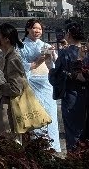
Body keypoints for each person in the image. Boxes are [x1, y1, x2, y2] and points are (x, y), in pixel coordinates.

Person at [20, 19, 61, 151]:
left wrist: (52, 55)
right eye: (34, 28)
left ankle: (52, 146)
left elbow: (53, 65)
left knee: (50, 114)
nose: (37, 31)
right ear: (28, 29)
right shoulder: (21, 46)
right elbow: (20, 66)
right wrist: (37, 61)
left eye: (40, 29)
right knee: (36, 112)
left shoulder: (45, 45)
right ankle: (37, 146)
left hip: (46, 83)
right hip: (32, 82)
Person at [53, 23, 89, 153]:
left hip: (70, 95)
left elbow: (55, 77)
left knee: (72, 132)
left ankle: (74, 158)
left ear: (69, 34)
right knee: (85, 131)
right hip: (87, 96)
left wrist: (49, 66)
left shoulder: (65, 53)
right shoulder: (87, 52)